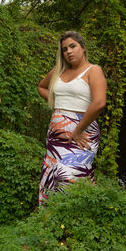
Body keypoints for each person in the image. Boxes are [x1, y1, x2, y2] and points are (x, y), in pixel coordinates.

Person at [37, 31, 106, 205]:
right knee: (52, 175)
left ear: (83, 48)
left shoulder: (93, 70)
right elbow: (41, 87)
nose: (68, 51)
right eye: (64, 49)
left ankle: (76, 223)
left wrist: (77, 130)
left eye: (72, 46)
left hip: (82, 133)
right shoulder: (59, 71)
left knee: (72, 176)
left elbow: (99, 103)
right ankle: (49, 221)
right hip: (56, 135)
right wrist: (58, 105)